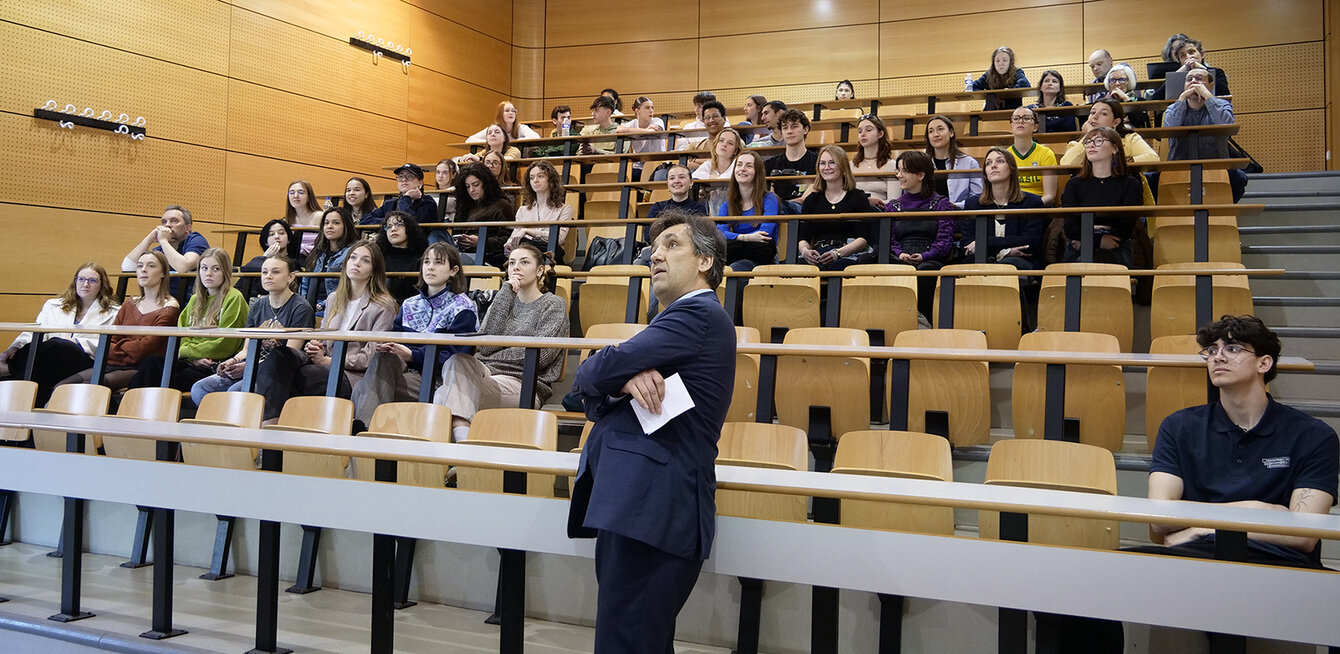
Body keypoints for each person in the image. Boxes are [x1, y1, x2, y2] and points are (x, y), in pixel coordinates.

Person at [567, 210, 735, 654]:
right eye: (654, 248)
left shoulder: (697, 314)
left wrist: (612, 372)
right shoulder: (677, 321)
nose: (655, 256)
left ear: (705, 261)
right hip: (642, 506)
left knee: (626, 642)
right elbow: (584, 393)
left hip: (653, 506)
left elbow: (592, 372)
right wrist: (622, 379)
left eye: (672, 245)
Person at [1148, 315, 1337, 566]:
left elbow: (1304, 534)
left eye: (1233, 348)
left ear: (1263, 363)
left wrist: (1203, 528)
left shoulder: (1314, 435)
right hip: (1195, 559)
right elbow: (1159, 519)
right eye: (1211, 350)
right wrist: (1256, 509)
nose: (1218, 357)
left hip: (1278, 564)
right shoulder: (1178, 426)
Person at [433, 242, 568, 442]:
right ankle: (463, 445)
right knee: (457, 360)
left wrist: (495, 354)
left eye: (524, 262)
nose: (516, 267)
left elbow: (542, 355)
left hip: (523, 383)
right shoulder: (503, 298)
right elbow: (485, 344)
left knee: (442, 395)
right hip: (486, 374)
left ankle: (455, 448)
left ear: (540, 270)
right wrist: (506, 293)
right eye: (512, 263)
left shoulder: (553, 304)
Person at [251, 242, 397, 424]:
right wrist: (315, 345)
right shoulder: (334, 298)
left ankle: (270, 428)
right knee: (279, 356)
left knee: (285, 380)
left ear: (374, 270)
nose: (357, 263)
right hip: (322, 362)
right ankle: (271, 425)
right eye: (353, 257)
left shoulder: (383, 305)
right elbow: (323, 336)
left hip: (349, 373)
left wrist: (329, 361)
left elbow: (372, 357)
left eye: (365, 260)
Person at [351, 242, 478, 426]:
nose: (430, 267)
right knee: (381, 359)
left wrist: (413, 355)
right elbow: (396, 338)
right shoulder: (410, 304)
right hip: (406, 373)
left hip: (440, 380)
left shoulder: (463, 307)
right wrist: (389, 347)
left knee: (362, 387)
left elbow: (456, 358)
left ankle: (363, 430)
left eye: (438, 262)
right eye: (426, 262)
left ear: (453, 270)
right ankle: (366, 430)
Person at [190, 254, 315, 406]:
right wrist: (232, 361)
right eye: (264, 272)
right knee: (200, 388)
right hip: (250, 365)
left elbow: (289, 355)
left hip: (276, 373)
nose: (268, 276)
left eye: (275, 272)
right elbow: (246, 349)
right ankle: (219, 420)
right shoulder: (257, 306)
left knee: (235, 392)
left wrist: (250, 367)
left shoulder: (301, 308)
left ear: (291, 277)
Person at [127, 248, 247, 395]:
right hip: (192, 361)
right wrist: (193, 358)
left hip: (216, 364)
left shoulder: (234, 298)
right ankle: (130, 405)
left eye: (216, 269)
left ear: (225, 272)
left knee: (170, 379)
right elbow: (182, 334)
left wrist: (186, 353)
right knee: (153, 363)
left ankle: (147, 406)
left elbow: (225, 344)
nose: (208, 273)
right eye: (204, 268)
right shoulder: (195, 299)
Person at [60, 251, 181, 391]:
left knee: (86, 388)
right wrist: (124, 348)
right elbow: (110, 341)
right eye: (140, 266)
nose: (143, 270)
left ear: (163, 273)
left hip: (140, 368)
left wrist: (120, 348)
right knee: (61, 387)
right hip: (113, 364)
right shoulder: (129, 303)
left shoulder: (170, 307)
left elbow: (145, 348)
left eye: (151, 266)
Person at [0, 263, 118, 405]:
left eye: (92, 280)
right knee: (44, 365)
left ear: (102, 284)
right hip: (50, 359)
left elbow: (110, 344)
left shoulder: (114, 312)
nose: (85, 284)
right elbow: (33, 332)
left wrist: (76, 342)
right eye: (81, 279)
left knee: (59, 345)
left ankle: (10, 368)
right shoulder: (53, 305)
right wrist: (16, 347)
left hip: (84, 360)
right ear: (75, 281)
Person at [962, 148, 1047, 330]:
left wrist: (984, 242)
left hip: (1023, 261)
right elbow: (967, 243)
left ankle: (1022, 329)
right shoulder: (973, 204)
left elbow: (1030, 242)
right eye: (988, 163)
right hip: (982, 260)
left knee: (1010, 265)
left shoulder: (1031, 202)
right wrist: (1006, 249)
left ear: (1012, 168)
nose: (993, 165)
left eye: (999, 161)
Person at [885, 151, 957, 317]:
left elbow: (944, 241)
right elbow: (889, 240)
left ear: (920, 175)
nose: (899, 175)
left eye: (904, 171)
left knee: (926, 271)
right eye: (898, 170)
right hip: (899, 257)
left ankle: (924, 320)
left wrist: (925, 256)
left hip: (931, 258)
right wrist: (900, 253)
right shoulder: (893, 206)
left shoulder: (941, 204)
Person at [1059, 126, 1143, 266]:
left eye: (1098, 140)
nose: (1091, 145)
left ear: (1114, 148)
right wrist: (1096, 241)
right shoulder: (1074, 184)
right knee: (1077, 266)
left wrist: (1094, 241)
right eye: (1088, 142)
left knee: (1104, 262)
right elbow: (1070, 227)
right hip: (1079, 243)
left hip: (1116, 244)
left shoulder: (1130, 184)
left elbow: (1126, 227)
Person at [1161, 67, 1246, 201]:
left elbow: (1226, 125)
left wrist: (1208, 97)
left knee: (1239, 178)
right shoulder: (1173, 108)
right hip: (1179, 168)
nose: (1194, 82)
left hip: (1217, 168)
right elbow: (1169, 129)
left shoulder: (1222, 105)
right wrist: (1182, 98)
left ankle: (1223, 208)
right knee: (1152, 180)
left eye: (1199, 79)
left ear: (1211, 85)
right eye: (1189, 79)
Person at [798, 145, 878, 271]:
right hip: (819, 252)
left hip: (848, 253)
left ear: (843, 166)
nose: (826, 167)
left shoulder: (858, 197)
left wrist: (838, 253)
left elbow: (863, 239)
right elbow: (803, 237)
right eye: (822, 163)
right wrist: (805, 251)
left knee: (838, 267)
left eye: (832, 162)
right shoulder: (812, 200)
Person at [121, 205, 209, 297]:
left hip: (190, 301)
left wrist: (163, 240)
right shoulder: (160, 249)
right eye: (164, 222)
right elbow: (127, 268)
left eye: (174, 221)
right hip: (164, 300)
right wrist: (149, 239)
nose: (167, 225)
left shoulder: (196, 240)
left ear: (187, 228)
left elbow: (183, 267)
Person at [716, 151, 780, 271]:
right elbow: (720, 233)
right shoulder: (727, 205)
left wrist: (735, 239)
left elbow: (765, 233)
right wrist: (746, 238)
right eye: (739, 165)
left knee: (733, 269)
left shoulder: (769, 199)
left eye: (749, 166)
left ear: (757, 172)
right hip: (735, 256)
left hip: (761, 258)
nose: (742, 169)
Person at [1058, 99, 1160, 166]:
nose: (1095, 117)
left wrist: (1119, 163)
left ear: (1115, 122)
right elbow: (1066, 164)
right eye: (1092, 112)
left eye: (1103, 113)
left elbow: (1153, 158)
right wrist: (1090, 135)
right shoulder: (1076, 144)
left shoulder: (1129, 139)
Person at [451, 163, 515, 269]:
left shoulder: (501, 205)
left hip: (489, 256)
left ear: (486, 183)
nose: (471, 190)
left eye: (476, 184)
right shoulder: (465, 205)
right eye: (467, 186)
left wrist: (481, 242)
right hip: (465, 253)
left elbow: (508, 239)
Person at [509, 160, 573, 263]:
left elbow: (559, 239)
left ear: (551, 180)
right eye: (531, 178)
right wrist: (508, 244)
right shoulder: (522, 210)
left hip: (549, 253)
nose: (535, 180)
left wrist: (528, 231)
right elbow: (515, 235)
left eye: (540, 176)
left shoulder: (565, 209)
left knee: (525, 244)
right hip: (524, 253)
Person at [299, 206, 359, 317]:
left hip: (336, 307)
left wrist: (321, 305)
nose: (330, 226)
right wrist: (303, 304)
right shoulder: (317, 252)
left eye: (336, 223)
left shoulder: (353, 253)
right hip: (310, 306)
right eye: (326, 223)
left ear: (346, 226)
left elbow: (350, 288)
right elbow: (305, 283)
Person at [923, 115, 983, 208]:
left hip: (960, 214)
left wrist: (954, 206)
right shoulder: (921, 164)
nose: (936, 134)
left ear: (951, 133)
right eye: (931, 131)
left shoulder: (970, 163)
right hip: (928, 214)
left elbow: (977, 196)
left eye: (940, 129)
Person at [237, 219, 302, 301]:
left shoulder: (293, 263)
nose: (277, 237)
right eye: (271, 234)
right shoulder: (258, 261)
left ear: (289, 239)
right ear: (266, 242)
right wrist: (266, 257)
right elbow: (244, 269)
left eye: (281, 233)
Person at [1006, 107, 1058, 206]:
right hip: (1012, 206)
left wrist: (1030, 207)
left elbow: (1050, 196)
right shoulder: (1005, 155)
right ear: (1011, 126)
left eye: (1026, 118)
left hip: (1038, 205)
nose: (1020, 121)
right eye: (1016, 118)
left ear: (1035, 127)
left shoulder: (1046, 153)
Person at [373, 210, 429, 303]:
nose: (393, 229)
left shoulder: (422, 258)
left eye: (399, 224)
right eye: (389, 226)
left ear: (409, 228)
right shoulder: (378, 257)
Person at [765, 109, 818, 202]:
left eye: (794, 126)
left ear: (805, 130)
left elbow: (805, 200)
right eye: (785, 128)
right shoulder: (769, 164)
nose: (789, 131)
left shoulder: (818, 161)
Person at [361, 163, 438, 227]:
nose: (404, 179)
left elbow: (408, 223)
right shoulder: (390, 203)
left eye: (410, 176)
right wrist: (389, 221)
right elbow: (365, 220)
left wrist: (406, 197)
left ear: (420, 183)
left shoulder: (427, 202)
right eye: (401, 176)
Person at [1159, 34, 1230, 98]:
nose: (1188, 57)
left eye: (1191, 52)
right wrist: (1176, 75)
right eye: (1183, 56)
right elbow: (1157, 97)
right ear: (1180, 62)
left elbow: (1224, 94)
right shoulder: (1177, 75)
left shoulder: (1217, 72)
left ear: (1202, 54)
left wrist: (1202, 69)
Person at [851, 114, 898, 208]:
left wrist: (876, 202)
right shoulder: (850, 165)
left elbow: (894, 202)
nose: (863, 134)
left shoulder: (892, 165)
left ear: (880, 134)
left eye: (868, 130)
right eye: (860, 131)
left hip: (880, 212)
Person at [615, 96, 666, 181]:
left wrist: (629, 130)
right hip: (638, 165)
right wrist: (644, 130)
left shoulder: (657, 121)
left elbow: (651, 132)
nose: (651, 110)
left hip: (658, 165)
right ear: (637, 111)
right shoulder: (633, 123)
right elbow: (619, 130)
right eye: (647, 108)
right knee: (622, 177)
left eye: (652, 108)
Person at [965, 46, 1029, 110]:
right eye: (997, 61)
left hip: (1013, 111)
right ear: (993, 63)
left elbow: (1025, 85)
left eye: (1004, 60)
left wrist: (1008, 92)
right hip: (991, 111)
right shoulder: (988, 75)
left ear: (1010, 62)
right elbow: (972, 87)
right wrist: (991, 96)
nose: (1001, 63)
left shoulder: (1017, 72)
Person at [677, 100, 728, 171]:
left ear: (724, 119)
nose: (711, 120)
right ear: (704, 121)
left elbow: (726, 164)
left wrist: (696, 161)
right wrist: (709, 163)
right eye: (707, 117)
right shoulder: (695, 146)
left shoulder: (734, 142)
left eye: (715, 116)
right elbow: (683, 164)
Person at [1098, 63, 1149, 128]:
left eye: (1121, 80)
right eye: (1112, 80)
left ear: (1129, 81)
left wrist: (1126, 98)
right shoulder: (1103, 102)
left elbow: (1138, 120)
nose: (1117, 83)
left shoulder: (1139, 101)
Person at [1026, 69, 1077, 134]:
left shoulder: (1067, 106)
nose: (1050, 83)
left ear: (1060, 88)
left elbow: (1069, 129)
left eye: (1054, 81)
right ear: (1041, 87)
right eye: (1046, 81)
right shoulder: (1031, 108)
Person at [282, 181, 324, 256]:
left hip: (315, 258)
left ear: (309, 197)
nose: (295, 196)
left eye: (301, 192)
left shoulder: (320, 216)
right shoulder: (286, 221)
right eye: (291, 193)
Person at [466, 101, 541, 142]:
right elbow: (469, 140)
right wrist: (490, 141)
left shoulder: (521, 128)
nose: (511, 113)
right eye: (507, 111)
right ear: (500, 114)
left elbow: (536, 137)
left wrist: (514, 141)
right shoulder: (493, 129)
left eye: (513, 111)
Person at [434, 158, 458, 230]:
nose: (440, 176)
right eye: (438, 172)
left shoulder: (456, 192)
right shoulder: (431, 194)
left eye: (445, 172)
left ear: (453, 175)